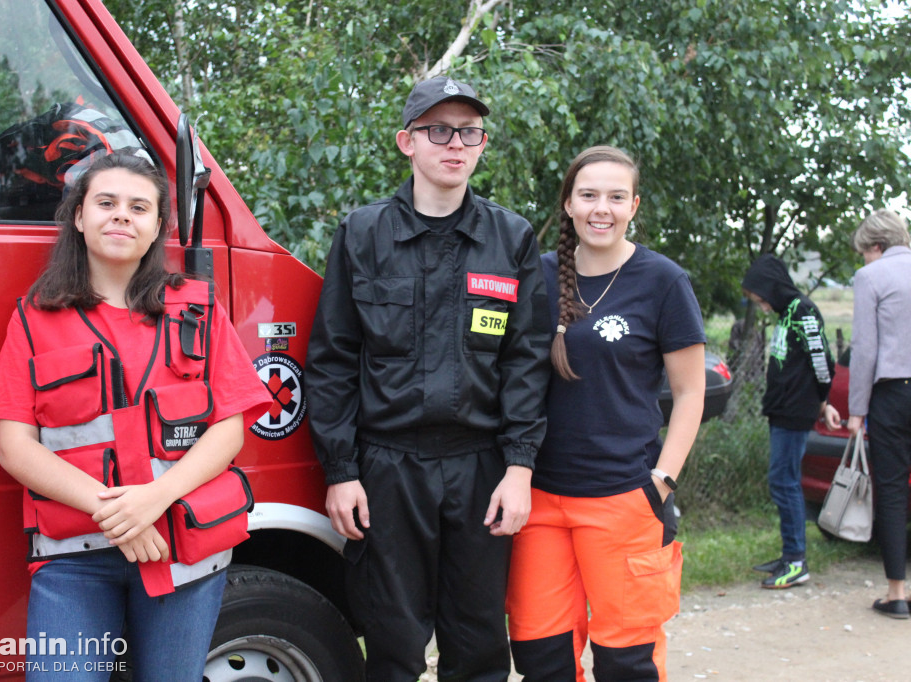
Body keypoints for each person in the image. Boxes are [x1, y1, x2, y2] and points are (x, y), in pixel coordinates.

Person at [0, 149, 272, 679]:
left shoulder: (198, 311)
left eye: (139, 207)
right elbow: (15, 447)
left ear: (158, 226)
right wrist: (121, 515)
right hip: (76, 561)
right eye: (106, 202)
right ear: (78, 216)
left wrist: (155, 498)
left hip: (185, 555)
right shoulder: (35, 319)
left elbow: (230, 426)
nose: (121, 216)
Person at [305, 75, 550, 681]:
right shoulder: (362, 234)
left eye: (468, 132)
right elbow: (333, 359)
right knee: (392, 646)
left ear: (482, 144)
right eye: (438, 129)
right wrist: (341, 471)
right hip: (388, 471)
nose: (454, 144)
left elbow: (526, 360)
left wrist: (518, 469)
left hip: (481, 471)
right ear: (406, 142)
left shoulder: (511, 238)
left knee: (481, 646)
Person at [505, 145, 707, 681]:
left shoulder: (663, 282)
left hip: (624, 500)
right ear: (568, 204)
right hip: (539, 502)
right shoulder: (537, 278)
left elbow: (690, 392)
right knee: (542, 659)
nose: (603, 208)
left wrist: (662, 480)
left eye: (616, 196)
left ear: (634, 205)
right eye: (589, 194)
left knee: (626, 662)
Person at [742, 254, 839, 589]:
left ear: (771, 286)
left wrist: (823, 400)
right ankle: (789, 556)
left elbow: (822, 360)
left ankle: (797, 560)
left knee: (784, 482)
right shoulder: (786, 314)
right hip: (782, 409)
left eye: (760, 297)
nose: (761, 304)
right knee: (783, 481)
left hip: (796, 411)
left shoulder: (803, 311)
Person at [846, 209, 911, 619]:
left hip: (893, 392)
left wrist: (856, 410)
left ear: (876, 246)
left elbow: (865, 349)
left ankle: (897, 592)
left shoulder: (871, 277)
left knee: (891, 489)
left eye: (864, 252)